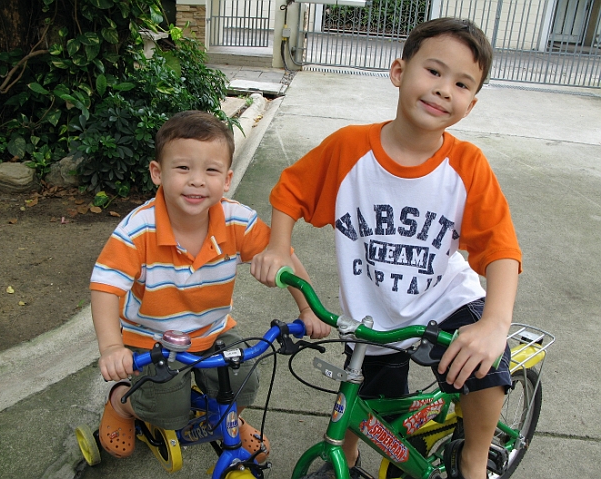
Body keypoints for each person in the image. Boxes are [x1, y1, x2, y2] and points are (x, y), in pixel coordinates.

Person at [251, 17, 522, 479]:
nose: (442, 90)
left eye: (460, 83)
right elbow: (290, 191)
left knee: (482, 366)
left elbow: (501, 248)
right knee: (368, 400)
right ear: (399, 71)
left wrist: (495, 324)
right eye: (433, 72)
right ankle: (349, 458)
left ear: (470, 105)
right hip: (375, 312)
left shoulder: (467, 165)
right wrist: (279, 246)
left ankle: (475, 459)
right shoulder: (349, 148)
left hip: (445, 302)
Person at [90, 110, 329, 462]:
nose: (198, 181)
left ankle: (229, 417)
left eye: (211, 170)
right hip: (152, 338)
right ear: (158, 173)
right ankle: (123, 403)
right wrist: (112, 347)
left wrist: (309, 308)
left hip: (211, 329)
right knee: (165, 408)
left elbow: (284, 258)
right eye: (183, 168)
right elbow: (105, 288)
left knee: (244, 375)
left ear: (228, 179)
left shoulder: (237, 220)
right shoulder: (137, 230)